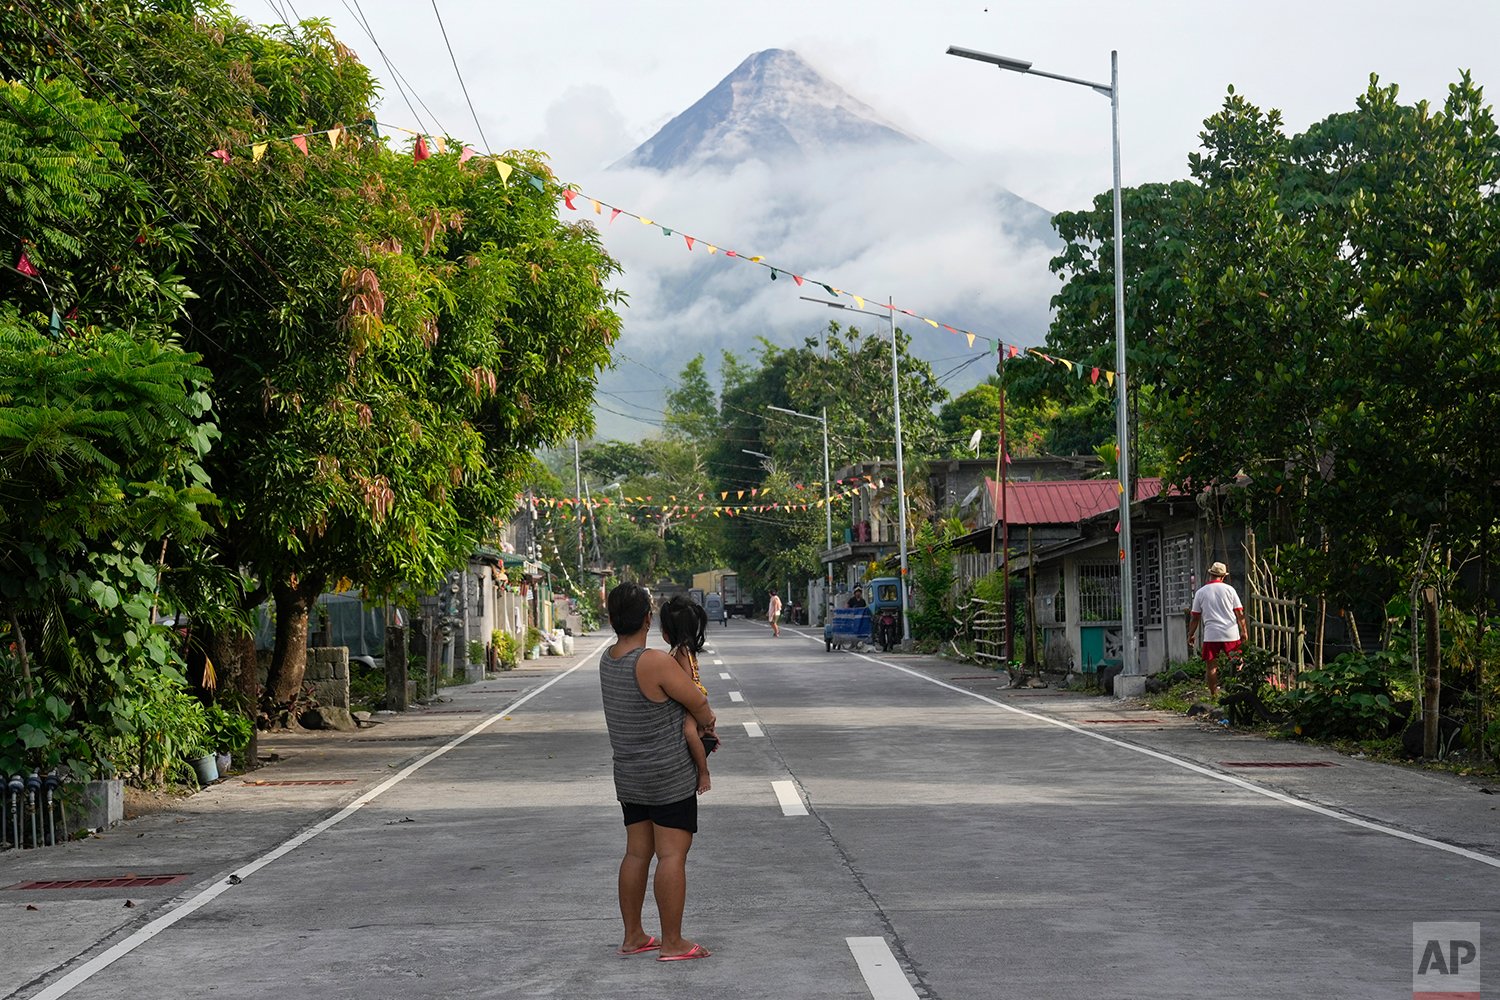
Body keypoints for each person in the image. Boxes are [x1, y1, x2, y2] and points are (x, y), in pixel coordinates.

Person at [598, 583, 715, 962]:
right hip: (668, 776)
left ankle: (633, 936)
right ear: (648, 618)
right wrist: (707, 725)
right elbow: (698, 703)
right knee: (671, 856)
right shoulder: (653, 662)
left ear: (613, 619)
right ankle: (673, 942)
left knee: (636, 854)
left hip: (630, 775)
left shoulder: (608, 659)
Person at [658, 595, 717, 794]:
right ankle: (706, 738)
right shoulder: (678, 649)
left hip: (691, 698)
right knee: (697, 732)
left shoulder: (681, 650)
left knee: (689, 732)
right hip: (687, 699)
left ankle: (703, 772)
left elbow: (687, 683)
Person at [1186, 561, 1249, 699]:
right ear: (1223, 576)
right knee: (1237, 662)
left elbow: (1195, 618)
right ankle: (1238, 691)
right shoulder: (1230, 590)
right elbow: (1239, 613)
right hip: (1230, 633)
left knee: (1211, 667)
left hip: (1211, 634)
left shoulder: (1200, 592)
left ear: (1210, 574)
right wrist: (1244, 631)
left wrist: (1191, 634)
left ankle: (1214, 695)